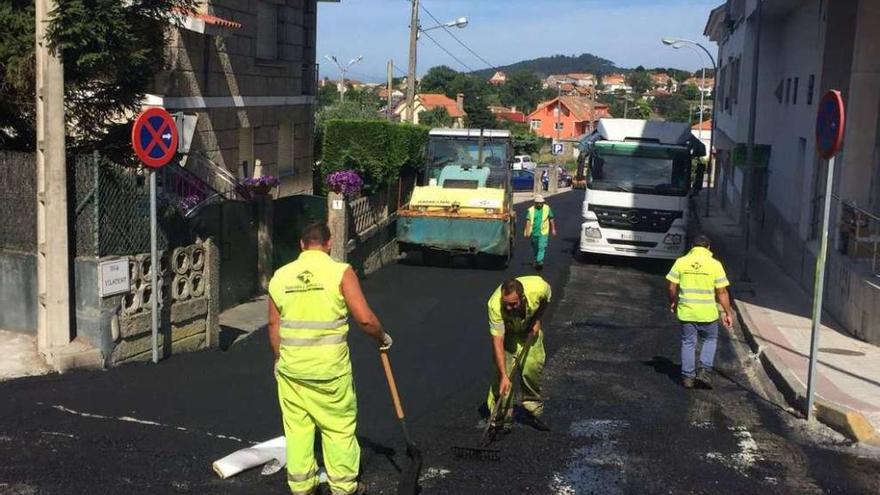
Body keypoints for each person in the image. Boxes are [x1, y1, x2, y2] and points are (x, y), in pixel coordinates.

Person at [268, 222, 392, 495]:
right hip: (329, 372)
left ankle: (301, 486)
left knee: (298, 429)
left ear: (302, 245)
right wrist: (382, 337)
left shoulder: (280, 276)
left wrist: (278, 359)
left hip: (292, 372)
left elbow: (273, 325)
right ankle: (344, 487)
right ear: (329, 244)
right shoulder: (340, 272)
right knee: (337, 428)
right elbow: (364, 319)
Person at [665, 235, 734, 389]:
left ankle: (688, 377)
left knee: (688, 343)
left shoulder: (681, 262)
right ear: (708, 247)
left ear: (692, 247)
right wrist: (728, 312)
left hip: (687, 311)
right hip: (707, 312)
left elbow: (671, 287)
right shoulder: (715, 265)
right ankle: (704, 370)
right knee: (710, 340)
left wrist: (673, 302)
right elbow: (722, 292)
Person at [486, 276, 552, 432]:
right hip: (508, 334)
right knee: (504, 379)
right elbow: (497, 341)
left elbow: (546, 299)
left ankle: (532, 411)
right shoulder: (495, 306)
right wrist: (504, 376)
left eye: (513, 304)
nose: (509, 308)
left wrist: (537, 319)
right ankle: (500, 418)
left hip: (528, 331)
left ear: (522, 298)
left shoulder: (538, 287)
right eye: (506, 304)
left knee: (531, 368)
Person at [524, 195, 557, 270]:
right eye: (538, 203)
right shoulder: (531, 210)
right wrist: (527, 231)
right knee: (535, 248)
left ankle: (539, 261)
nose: (539, 204)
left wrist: (553, 229)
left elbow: (551, 219)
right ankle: (537, 259)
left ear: (543, 202)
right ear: (535, 203)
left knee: (541, 247)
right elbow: (528, 221)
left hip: (543, 232)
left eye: (541, 203)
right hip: (534, 233)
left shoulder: (547, 208)